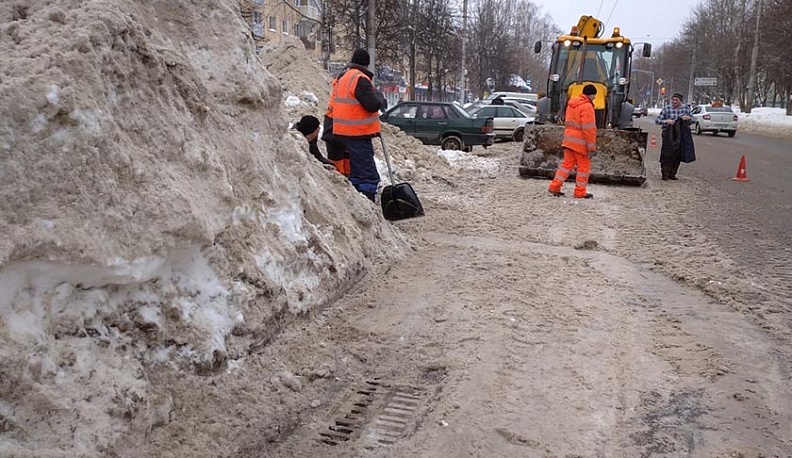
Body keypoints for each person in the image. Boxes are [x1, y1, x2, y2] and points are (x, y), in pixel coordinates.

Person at [327, 49, 388, 202]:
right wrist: (379, 97)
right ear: (366, 64)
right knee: (368, 174)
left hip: (342, 132)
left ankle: (355, 201)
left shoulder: (344, 77)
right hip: (357, 133)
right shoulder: (360, 79)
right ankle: (367, 205)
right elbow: (372, 104)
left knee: (356, 172)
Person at [547, 84, 598, 199]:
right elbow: (588, 129)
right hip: (581, 143)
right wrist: (591, 147)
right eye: (594, 95)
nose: (595, 98)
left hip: (569, 140)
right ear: (591, 95)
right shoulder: (587, 107)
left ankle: (554, 186)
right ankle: (580, 192)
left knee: (566, 165)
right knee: (583, 168)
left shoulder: (571, 104)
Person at [655, 92, 694, 180]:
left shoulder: (686, 109)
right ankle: (665, 173)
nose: (674, 101)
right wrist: (666, 121)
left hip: (681, 133)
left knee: (678, 153)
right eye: (673, 100)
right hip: (668, 133)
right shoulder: (667, 108)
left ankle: (672, 173)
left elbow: (694, 119)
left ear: (681, 101)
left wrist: (688, 118)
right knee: (667, 153)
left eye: (676, 100)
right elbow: (657, 120)